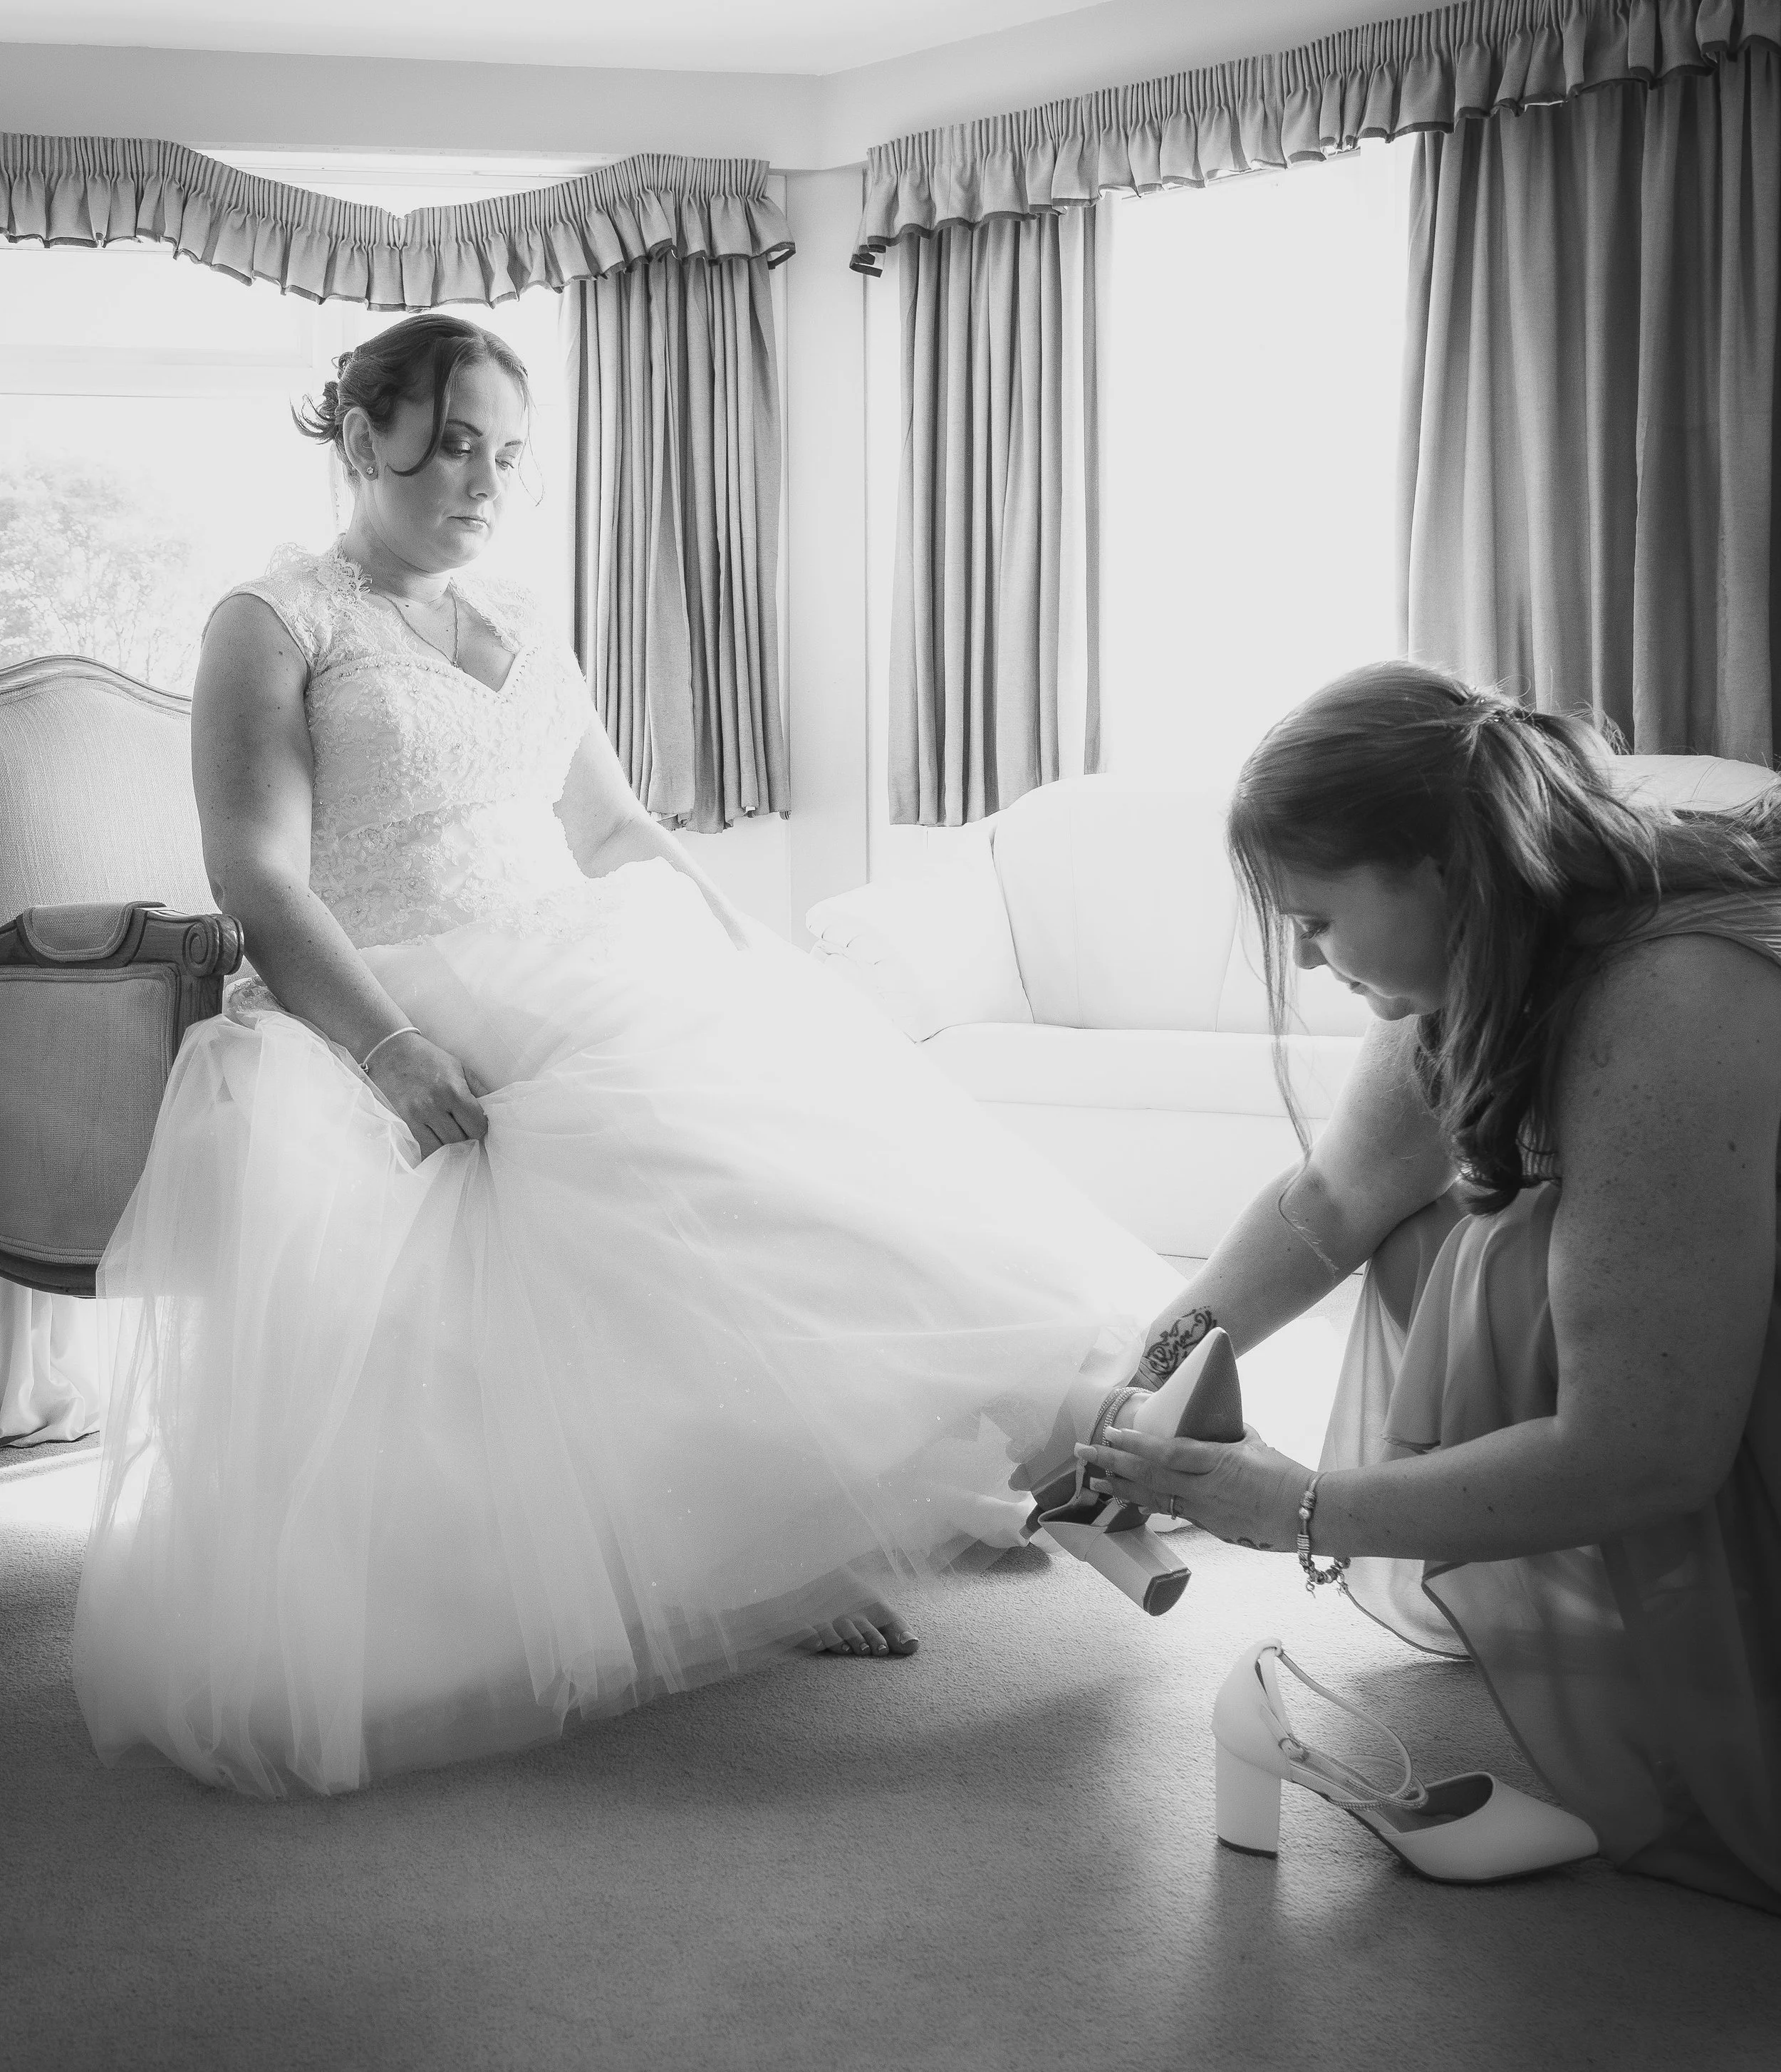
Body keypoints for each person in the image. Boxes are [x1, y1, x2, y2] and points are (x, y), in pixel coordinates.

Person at [71, 312, 1189, 1798]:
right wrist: (392, 1049)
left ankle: (1015, 1463)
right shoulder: (273, 622)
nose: (483, 479)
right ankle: (755, 1563)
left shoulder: (528, 617)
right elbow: (260, 877)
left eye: (509, 453)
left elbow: (606, 829)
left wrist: (748, 954)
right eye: (454, 439)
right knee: (625, 1163)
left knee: (796, 1126)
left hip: (557, 954)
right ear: (361, 438)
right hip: (375, 993)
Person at [1082, 662, 1781, 1912]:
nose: (1305, 960)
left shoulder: (1673, 995)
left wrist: (1299, 1508)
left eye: (1316, 920)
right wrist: (1142, 1383)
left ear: (1442, 868)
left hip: (1694, 1388)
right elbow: (1328, 1206)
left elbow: (1654, 1446)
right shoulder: (1493, 943)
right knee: (1432, 1232)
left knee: (1501, 1258)